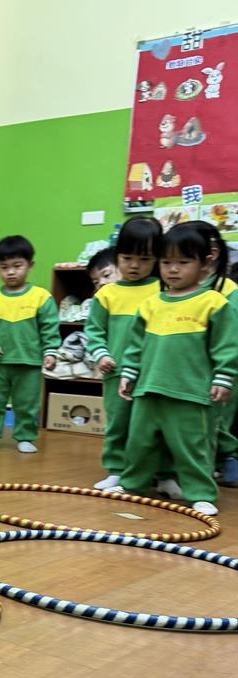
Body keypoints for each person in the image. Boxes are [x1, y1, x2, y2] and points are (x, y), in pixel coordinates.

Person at [113, 221, 238, 516]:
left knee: (193, 447)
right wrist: (129, 373)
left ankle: (201, 493)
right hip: (148, 390)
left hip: (190, 394)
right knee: (140, 444)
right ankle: (133, 484)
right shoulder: (151, 304)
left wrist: (224, 376)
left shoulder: (213, 303)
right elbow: (135, 346)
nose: (173, 270)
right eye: (166, 262)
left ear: (204, 264)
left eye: (183, 262)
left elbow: (226, 345)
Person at [84, 217, 161, 490]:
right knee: (118, 423)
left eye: (144, 259)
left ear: (157, 259)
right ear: (117, 256)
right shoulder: (107, 295)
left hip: (153, 373)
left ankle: (159, 473)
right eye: (127, 258)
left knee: (151, 426)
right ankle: (117, 469)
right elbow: (94, 331)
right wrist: (101, 355)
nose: (135, 265)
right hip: (116, 371)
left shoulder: (162, 289)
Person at [0, 235, 59, 453]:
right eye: (4, 267)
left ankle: (25, 437)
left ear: (30, 265)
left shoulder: (41, 297)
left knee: (27, 403)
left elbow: (49, 328)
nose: (10, 272)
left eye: (17, 266)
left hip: (29, 363)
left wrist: (50, 352)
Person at [195, 221, 238, 487]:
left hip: (221, 367)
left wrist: (224, 371)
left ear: (211, 255)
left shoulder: (228, 291)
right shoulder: (179, 288)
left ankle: (226, 459)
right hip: (192, 367)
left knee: (218, 418)